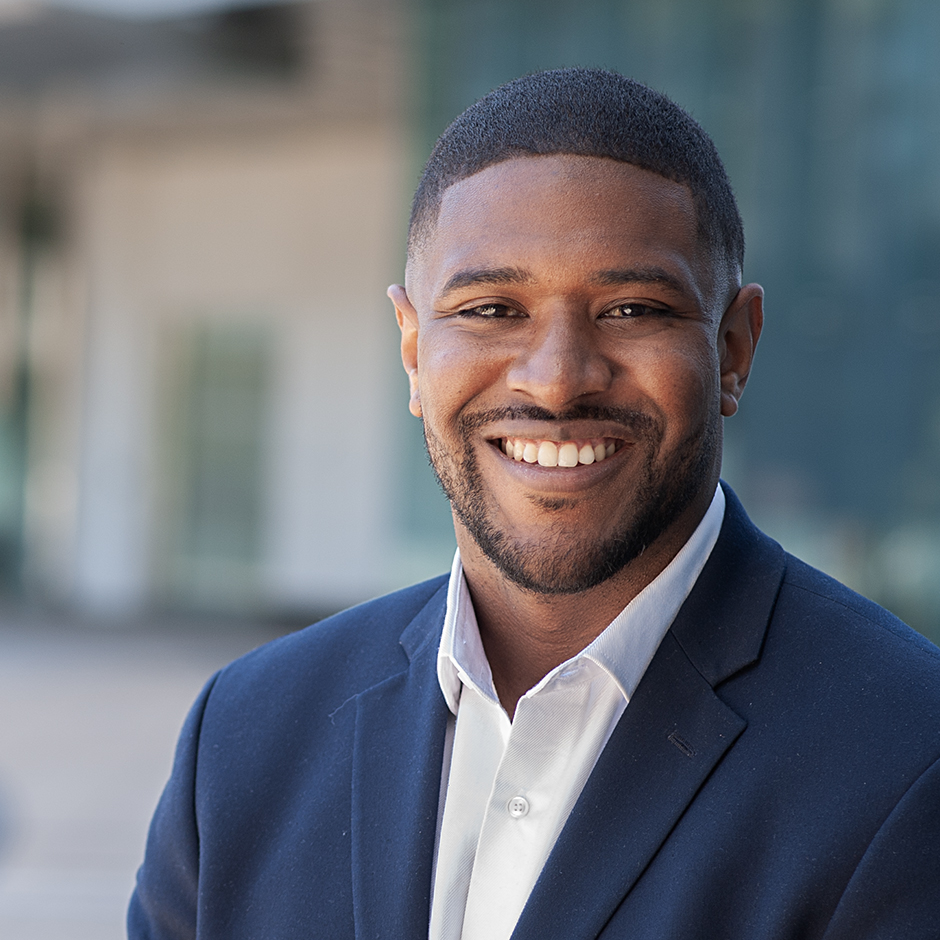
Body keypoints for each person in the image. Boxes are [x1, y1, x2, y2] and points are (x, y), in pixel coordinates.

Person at [128, 69, 940, 940]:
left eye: (631, 308)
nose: (555, 379)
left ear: (733, 348)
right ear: (412, 349)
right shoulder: (245, 738)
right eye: (490, 309)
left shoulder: (908, 760)